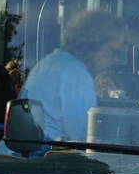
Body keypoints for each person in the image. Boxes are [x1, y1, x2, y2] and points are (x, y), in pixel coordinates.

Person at [20, 10, 128, 142]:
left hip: (22, 149)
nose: (115, 59)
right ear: (93, 45)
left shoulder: (53, 61)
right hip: (39, 155)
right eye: (112, 51)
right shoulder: (76, 74)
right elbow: (84, 135)